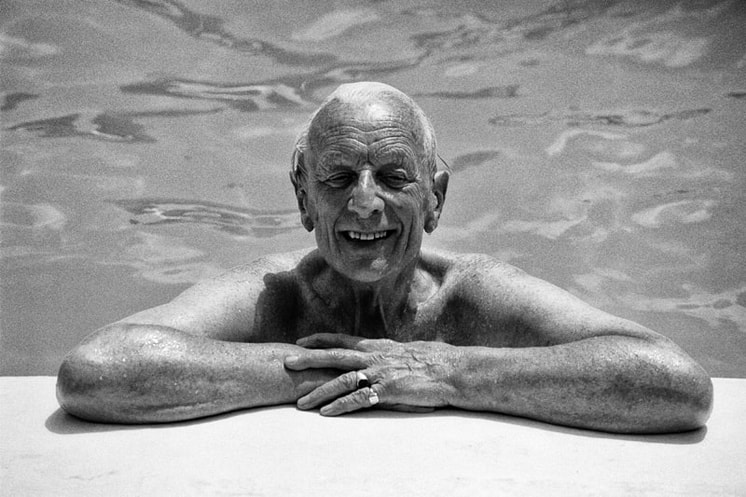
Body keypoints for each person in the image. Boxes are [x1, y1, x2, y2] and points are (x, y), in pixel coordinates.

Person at [56, 82, 713, 433]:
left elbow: (675, 383)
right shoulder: (272, 294)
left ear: (436, 195)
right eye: (339, 178)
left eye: (393, 177)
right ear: (304, 196)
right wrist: (341, 371)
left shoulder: (473, 293)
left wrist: (449, 372)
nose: (365, 206)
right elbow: (96, 371)